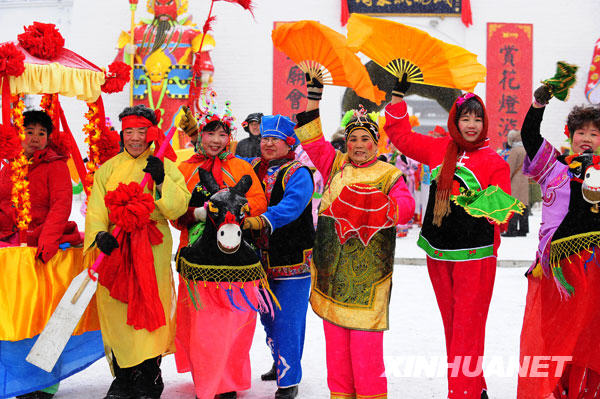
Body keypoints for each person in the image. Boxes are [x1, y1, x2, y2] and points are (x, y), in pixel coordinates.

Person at [384, 76, 511, 399]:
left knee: (468, 328)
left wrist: (471, 200)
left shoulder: (494, 162)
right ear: (454, 121)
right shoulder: (438, 148)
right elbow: (399, 135)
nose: (471, 124)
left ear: (484, 123)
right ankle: (473, 385)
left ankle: (462, 392)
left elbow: (502, 215)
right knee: (454, 326)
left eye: (477, 118)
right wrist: (398, 96)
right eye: (465, 118)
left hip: (476, 257)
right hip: (439, 253)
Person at [296, 73, 415, 399]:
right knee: (336, 359)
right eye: (353, 140)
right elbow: (311, 139)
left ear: (377, 144)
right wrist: (314, 95)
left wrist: (379, 207)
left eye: (366, 140)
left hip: (368, 283)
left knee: (366, 359)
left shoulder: (389, 174)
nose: (359, 146)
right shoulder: (335, 166)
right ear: (346, 143)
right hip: (331, 278)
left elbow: (406, 206)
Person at [84, 104, 190, 399]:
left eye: (141, 131)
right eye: (129, 131)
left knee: (149, 306)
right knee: (116, 310)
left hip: (151, 249)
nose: (134, 138)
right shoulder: (108, 169)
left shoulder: (165, 165)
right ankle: (123, 375)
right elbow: (95, 211)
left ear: (151, 132)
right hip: (116, 250)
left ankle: (149, 374)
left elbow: (177, 208)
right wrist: (99, 235)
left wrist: (160, 181)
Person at [0, 110, 102, 399]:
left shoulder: (56, 165)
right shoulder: (11, 166)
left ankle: (45, 381)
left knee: (47, 315)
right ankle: (21, 377)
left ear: (48, 138)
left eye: (41, 133)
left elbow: (61, 205)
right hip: (15, 250)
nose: (34, 138)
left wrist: (47, 241)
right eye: (29, 131)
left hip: (47, 250)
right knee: (18, 316)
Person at [173, 105, 267, 399]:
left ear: (230, 136)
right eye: (210, 132)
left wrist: (235, 210)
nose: (216, 139)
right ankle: (207, 379)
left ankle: (228, 380)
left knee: (236, 322)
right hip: (197, 260)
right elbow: (175, 212)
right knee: (202, 325)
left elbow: (259, 201)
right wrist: (199, 213)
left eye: (222, 133)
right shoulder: (186, 168)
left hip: (236, 261)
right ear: (199, 134)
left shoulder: (241, 167)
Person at [517, 85, 600, 399]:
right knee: (554, 335)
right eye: (580, 132)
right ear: (570, 135)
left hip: (594, 269)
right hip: (557, 270)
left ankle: (585, 391)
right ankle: (552, 391)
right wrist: (538, 104)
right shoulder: (554, 167)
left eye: (594, 133)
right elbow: (530, 135)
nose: (586, 138)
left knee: (588, 335)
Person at [242, 115, 314, 399]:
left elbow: (292, 206)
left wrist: (261, 220)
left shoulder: (299, 173)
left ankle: (289, 380)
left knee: (288, 320)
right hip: (258, 260)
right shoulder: (252, 168)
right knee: (268, 317)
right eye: (265, 139)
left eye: (275, 139)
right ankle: (279, 361)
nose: (269, 143)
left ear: (289, 142)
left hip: (291, 259)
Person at [503, 129, 529, 237]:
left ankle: (512, 230)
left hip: (515, 181)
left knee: (513, 204)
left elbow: (509, 168)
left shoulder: (515, 151)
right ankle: (523, 229)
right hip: (525, 179)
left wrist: (505, 180)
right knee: (523, 205)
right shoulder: (526, 149)